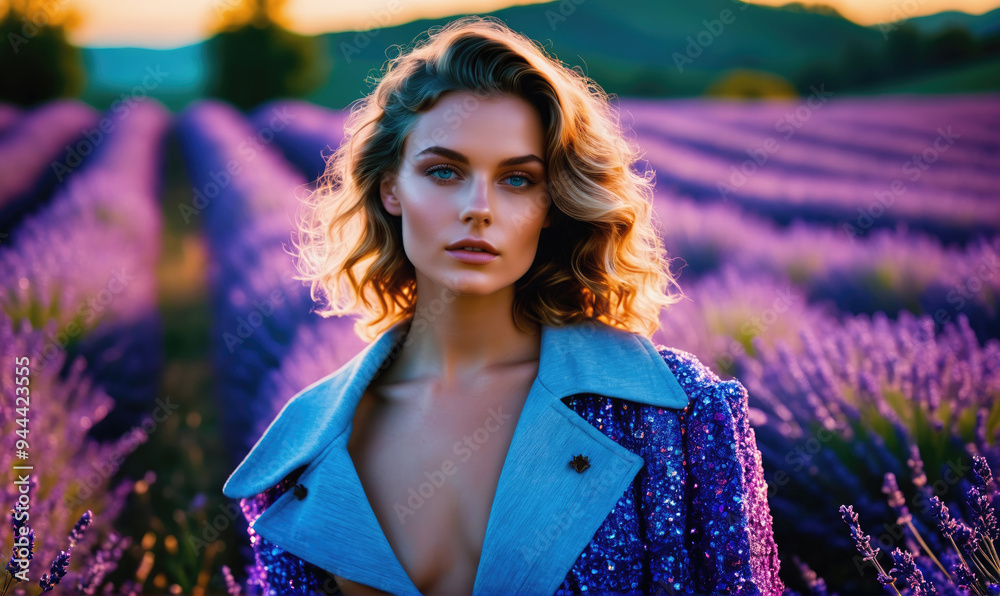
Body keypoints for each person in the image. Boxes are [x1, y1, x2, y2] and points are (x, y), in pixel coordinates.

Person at [222, 15, 784, 596]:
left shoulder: (676, 412)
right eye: (444, 171)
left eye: (517, 180)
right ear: (391, 187)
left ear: (553, 204)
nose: (478, 208)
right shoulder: (302, 450)